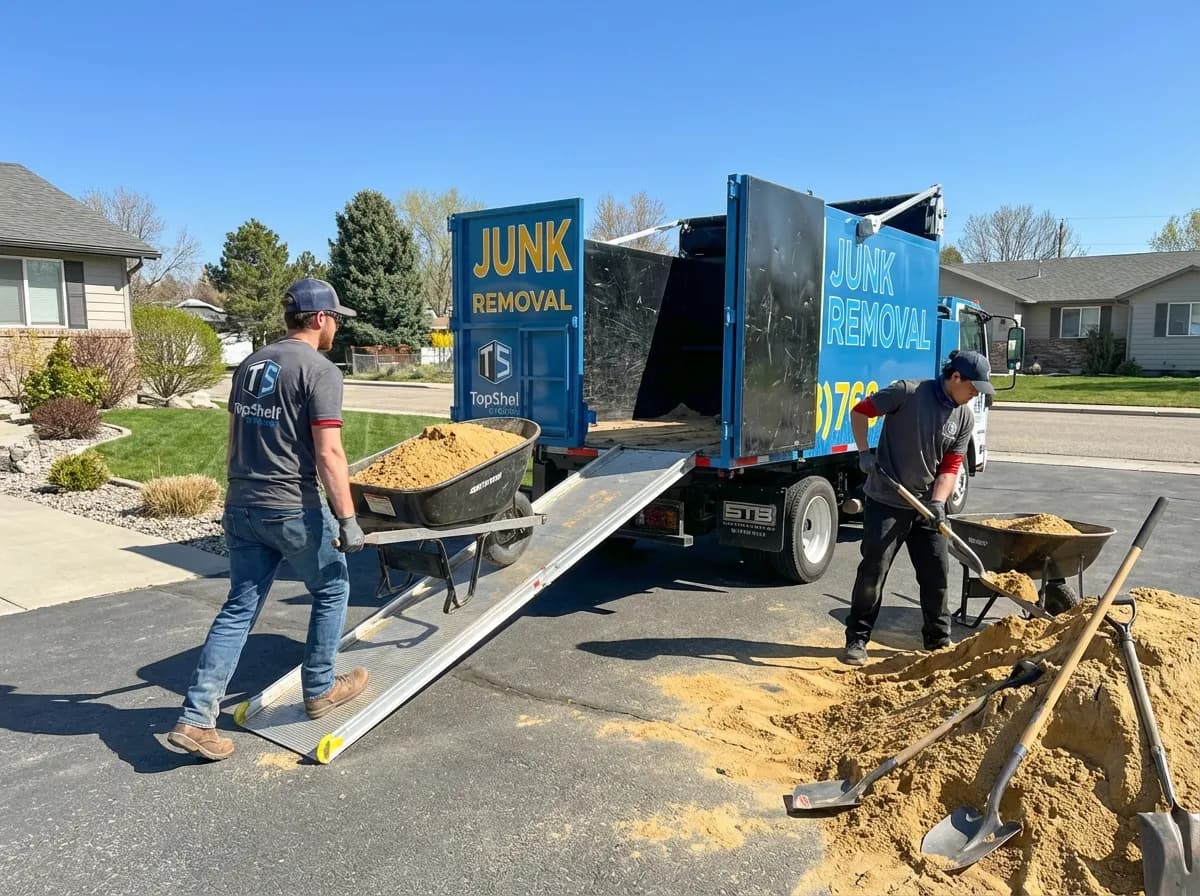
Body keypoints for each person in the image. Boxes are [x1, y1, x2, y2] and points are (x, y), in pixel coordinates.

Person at [166, 278, 371, 760]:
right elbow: (330, 452)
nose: (337, 327)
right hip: (290, 505)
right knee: (333, 587)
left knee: (240, 606)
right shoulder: (319, 370)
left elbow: (236, 435)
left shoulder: (251, 363)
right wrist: (347, 518)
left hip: (241, 503)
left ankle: (196, 718)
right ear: (319, 318)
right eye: (336, 318)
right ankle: (320, 689)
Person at [841, 350, 995, 666]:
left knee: (937, 574)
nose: (975, 395)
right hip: (886, 501)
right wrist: (864, 452)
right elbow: (860, 412)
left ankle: (938, 642)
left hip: (927, 507)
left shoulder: (963, 416)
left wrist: (938, 503)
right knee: (873, 572)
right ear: (955, 377)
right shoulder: (907, 392)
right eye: (973, 387)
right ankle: (857, 638)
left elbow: (950, 467)